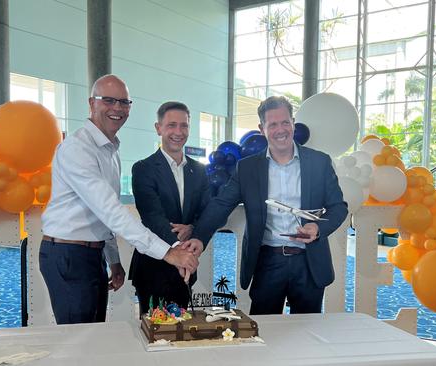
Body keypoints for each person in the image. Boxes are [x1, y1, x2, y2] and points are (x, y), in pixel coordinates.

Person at [40, 75, 198, 324]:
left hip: (92, 254)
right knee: (78, 339)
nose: (117, 108)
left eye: (124, 102)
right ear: (92, 103)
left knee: (94, 333)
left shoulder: (110, 149)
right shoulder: (77, 148)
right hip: (68, 254)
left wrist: (113, 260)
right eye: (109, 100)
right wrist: (168, 252)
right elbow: (111, 210)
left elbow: (103, 216)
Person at [186, 96, 348, 315]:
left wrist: (318, 229)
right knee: (264, 331)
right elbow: (221, 205)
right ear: (262, 128)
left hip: (309, 263)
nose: (280, 130)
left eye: (285, 122)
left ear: (293, 123)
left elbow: (339, 207)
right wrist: (198, 236)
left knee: (308, 334)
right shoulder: (247, 168)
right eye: (273, 124)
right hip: (268, 261)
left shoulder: (319, 162)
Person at [129, 101, 210, 315]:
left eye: (184, 126)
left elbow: (205, 212)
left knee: (182, 333)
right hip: (152, 267)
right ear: (159, 128)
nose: (178, 132)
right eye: (171, 125)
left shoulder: (199, 171)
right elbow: (151, 216)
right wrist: (177, 248)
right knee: (155, 334)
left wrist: (192, 228)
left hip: (185, 270)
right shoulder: (143, 168)